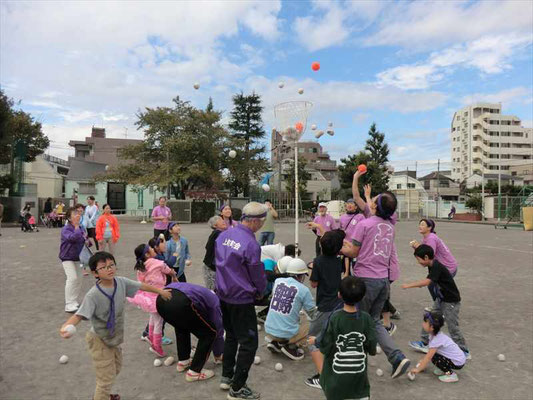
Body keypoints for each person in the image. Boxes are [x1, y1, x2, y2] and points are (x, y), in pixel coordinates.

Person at [59, 251, 172, 400]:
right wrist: (67, 325)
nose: (109, 269)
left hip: (114, 336)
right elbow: (79, 314)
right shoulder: (93, 295)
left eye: (111, 265)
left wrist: (160, 291)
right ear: (95, 273)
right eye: (104, 267)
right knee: (105, 379)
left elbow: (141, 286)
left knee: (115, 368)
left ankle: (103, 394)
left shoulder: (121, 282)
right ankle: (102, 396)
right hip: (99, 339)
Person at [341, 183, 411, 379]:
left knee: (357, 321)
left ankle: (354, 365)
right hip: (383, 281)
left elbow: (353, 251)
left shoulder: (365, 224)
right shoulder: (390, 225)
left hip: (366, 279)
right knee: (374, 321)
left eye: (373, 200)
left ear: (375, 207)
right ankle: (397, 357)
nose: (370, 201)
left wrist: (336, 246)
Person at [215, 202, 267, 400]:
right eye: (261, 222)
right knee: (249, 343)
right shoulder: (251, 244)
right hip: (241, 298)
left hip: (223, 294)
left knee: (232, 336)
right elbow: (257, 274)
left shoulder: (223, 235)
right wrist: (261, 291)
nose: (262, 225)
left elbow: (217, 263)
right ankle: (237, 388)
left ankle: (227, 376)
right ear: (254, 221)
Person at [311, 276, 377, 400]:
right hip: (359, 385)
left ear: (339, 294)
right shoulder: (366, 319)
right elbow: (372, 348)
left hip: (335, 384)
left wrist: (315, 340)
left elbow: (325, 345)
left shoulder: (334, 317)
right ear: (362, 297)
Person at [402, 245, 470, 359]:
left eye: (419, 260)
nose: (418, 262)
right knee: (429, 318)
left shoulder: (437, 266)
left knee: (452, 326)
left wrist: (408, 285)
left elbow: (427, 282)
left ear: (426, 257)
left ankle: (464, 350)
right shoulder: (431, 265)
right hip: (441, 299)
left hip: (450, 302)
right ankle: (425, 343)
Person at [156, 282, 224, 382]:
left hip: (161, 300)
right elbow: (217, 329)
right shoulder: (216, 302)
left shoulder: (204, 292)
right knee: (209, 333)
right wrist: (218, 353)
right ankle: (194, 372)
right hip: (180, 302)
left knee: (181, 327)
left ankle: (183, 361)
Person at [305, 230, 345, 389]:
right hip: (338, 304)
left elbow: (313, 284)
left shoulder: (318, 261)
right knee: (331, 336)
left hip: (324, 305)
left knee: (312, 339)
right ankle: (334, 367)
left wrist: (311, 270)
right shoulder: (337, 260)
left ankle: (323, 378)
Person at [128, 243, 177, 357]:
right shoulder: (157, 263)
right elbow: (169, 270)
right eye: (150, 248)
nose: (153, 248)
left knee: (153, 318)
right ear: (147, 253)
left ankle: (150, 336)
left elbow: (140, 282)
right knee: (159, 321)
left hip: (147, 297)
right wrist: (173, 274)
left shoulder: (141, 267)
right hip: (158, 297)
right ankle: (156, 346)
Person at [265, 258, 316, 361]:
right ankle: (290, 346)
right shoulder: (304, 290)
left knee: (292, 317)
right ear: (300, 276)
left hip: (269, 330)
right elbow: (313, 314)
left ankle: (276, 342)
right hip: (286, 333)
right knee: (313, 324)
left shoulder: (278, 281)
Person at [409, 310, 466, 383]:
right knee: (434, 355)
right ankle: (443, 368)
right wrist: (422, 362)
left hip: (458, 362)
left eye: (425, 322)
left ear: (432, 327)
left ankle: (451, 374)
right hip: (457, 358)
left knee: (434, 358)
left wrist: (418, 369)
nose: (423, 323)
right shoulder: (434, 335)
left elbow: (428, 357)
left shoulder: (436, 340)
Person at [59, 206, 87, 312]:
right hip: (67, 257)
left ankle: (74, 301)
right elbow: (73, 238)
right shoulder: (66, 229)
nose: (78, 215)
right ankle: (68, 303)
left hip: (78, 257)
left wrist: (87, 241)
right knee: (72, 278)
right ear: (69, 218)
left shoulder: (81, 227)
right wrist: (76, 227)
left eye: (79, 214)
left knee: (79, 279)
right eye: (75, 214)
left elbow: (84, 239)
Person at [339, 198, 365, 276]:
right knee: (345, 269)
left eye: (352, 203)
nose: (349, 205)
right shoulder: (342, 217)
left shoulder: (360, 217)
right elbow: (340, 230)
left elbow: (363, 230)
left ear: (356, 207)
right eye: (348, 203)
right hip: (345, 245)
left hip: (356, 246)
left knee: (355, 267)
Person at [202, 215, 227, 290]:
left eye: (222, 220)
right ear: (215, 225)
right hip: (211, 268)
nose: (223, 221)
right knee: (212, 290)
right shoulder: (217, 233)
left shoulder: (219, 233)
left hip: (214, 267)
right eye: (220, 220)